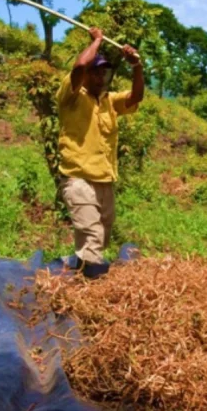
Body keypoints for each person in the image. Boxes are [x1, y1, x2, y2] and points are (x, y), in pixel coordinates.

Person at [55, 27, 144, 277]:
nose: (100, 77)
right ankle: (90, 291)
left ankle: (79, 270)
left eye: (104, 72)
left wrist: (136, 66)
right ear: (87, 75)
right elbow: (79, 67)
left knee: (100, 237)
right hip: (78, 179)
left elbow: (137, 95)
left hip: (104, 181)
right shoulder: (70, 95)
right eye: (96, 72)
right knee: (93, 239)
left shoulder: (109, 100)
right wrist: (97, 41)